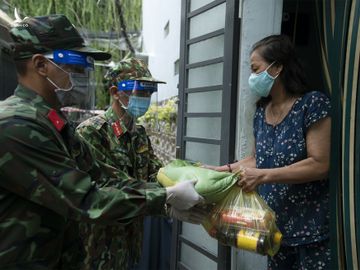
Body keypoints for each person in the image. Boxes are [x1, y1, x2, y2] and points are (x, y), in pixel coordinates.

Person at [0, 14, 205, 269]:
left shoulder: (55, 124)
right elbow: (86, 198)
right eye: (74, 67)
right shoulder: (15, 125)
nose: (80, 77)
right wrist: (163, 197)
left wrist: (166, 199)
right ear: (41, 65)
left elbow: (105, 178)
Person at [208, 35, 331, 269]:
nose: (252, 77)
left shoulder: (312, 105)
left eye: (256, 69)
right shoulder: (261, 112)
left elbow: (320, 164)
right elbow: (257, 159)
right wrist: (220, 171)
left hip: (311, 232)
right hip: (273, 231)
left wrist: (263, 176)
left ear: (277, 68)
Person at [75, 58, 171, 270]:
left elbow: (155, 172)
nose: (145, 99)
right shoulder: (91, 132)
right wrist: (166, 196)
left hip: (130, 243)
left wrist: (186, 178)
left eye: (149, 93)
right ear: (115, 92)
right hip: (97, 246)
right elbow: (107, 187)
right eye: (140, 92)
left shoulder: (139, 134)